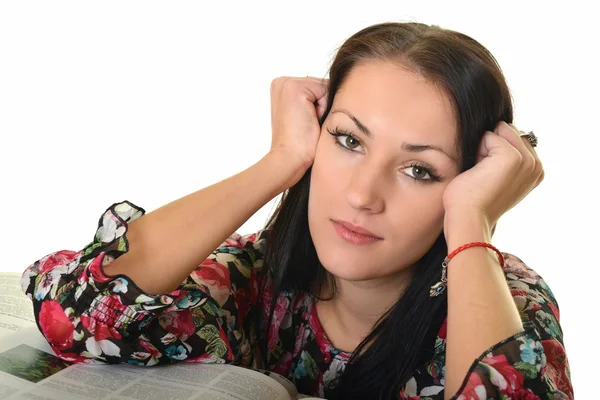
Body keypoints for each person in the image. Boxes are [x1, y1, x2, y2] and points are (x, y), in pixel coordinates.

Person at [20, 22, 573, 399]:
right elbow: (78, 315)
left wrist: (473, 224)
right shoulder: (258, 278)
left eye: (419, 170)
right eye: (348, 141)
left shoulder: (510, 303)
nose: (362, 195)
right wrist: (281, 160)